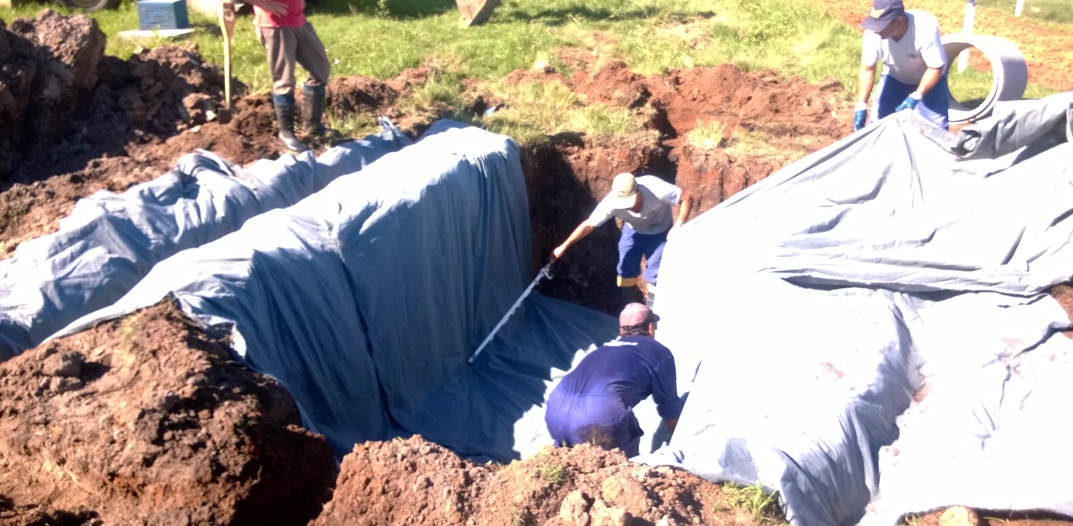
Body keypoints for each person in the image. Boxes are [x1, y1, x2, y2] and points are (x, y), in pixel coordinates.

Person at [544, 303, 684, 458]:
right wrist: (682, 446)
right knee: (620, 474)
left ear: (621, 330)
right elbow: (669, 407)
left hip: (556, 410)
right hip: (599, 417)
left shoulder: (604, 349)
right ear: (650, 328)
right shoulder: (659, 352)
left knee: (570, 467)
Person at [550, 173, 692, 305]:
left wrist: (679, 224)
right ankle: (629, 306)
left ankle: (651, 309)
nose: (629, 208)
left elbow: (686, 198)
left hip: (660, 231)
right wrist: (564, 246)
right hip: (633, 230)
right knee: (625, 266)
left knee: (656, 270)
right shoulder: (611, 203)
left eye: (631, 203)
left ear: (638, 192)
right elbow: (588, 225)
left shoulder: (656, 188)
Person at [244, 0, 338, 152]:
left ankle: (312, 126)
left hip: (298, 21)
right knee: (284, 80)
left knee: (320, 69)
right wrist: (265, 4)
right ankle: (286, 134)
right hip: (275, 25)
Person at [854, 0, 950, 132]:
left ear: (898, 21)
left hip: (930, 80)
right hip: (895, 77)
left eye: (882, 25)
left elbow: (935, 68)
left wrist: (916, 96)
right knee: (878, 123)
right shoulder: (873, 33)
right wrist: (861, 106)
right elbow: (867, 70)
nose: (876, 30)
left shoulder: (924, 29)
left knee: (937, 129)